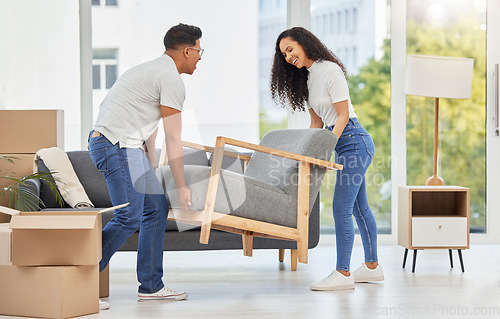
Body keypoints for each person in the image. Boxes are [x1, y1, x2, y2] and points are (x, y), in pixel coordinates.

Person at [88, 23, 203, 307]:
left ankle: (151, 286)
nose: (200, 57)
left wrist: (149, 164)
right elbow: (173, 138)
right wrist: (182, 186)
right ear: (187, 50)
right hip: (114, 144)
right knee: (129, 215)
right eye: (199, 51)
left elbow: (147, 123)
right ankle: (80, 279)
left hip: (126, 146)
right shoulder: (172, 79)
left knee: (155, 207)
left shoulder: (149, 71)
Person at [270, 27, 384, 291]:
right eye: (283, 54)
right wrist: (306, 150)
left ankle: (343, 273)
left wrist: (326, 147)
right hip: (341, 144)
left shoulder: (330, 69)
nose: (288, 57)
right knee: (358, 208)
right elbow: (316, 122)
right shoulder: (306, 79)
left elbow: (342, 116)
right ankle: (372, 267)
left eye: (290, 49)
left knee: (341, 208)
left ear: (304, 44)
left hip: (354, 141)